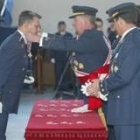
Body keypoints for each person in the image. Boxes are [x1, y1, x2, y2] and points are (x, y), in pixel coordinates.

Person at [27, 5, 110, 113]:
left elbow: (68, 43)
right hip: (89, 90)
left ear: (83, 22)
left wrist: (40, 39)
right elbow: (66, 40)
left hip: (97, 94)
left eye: (75, 20)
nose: (73, 23)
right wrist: (43, 36)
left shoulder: (92, 37)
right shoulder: (91, 35)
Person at [86, 2, 140, 140]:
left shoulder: (133, 41)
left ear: (121, 21)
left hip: (128, 111)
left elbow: (124, 76)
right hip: (122, 109)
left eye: (113, 22)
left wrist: (101, 85)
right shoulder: (126, 40)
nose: (113, 27)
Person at [0, 10, 41, 140]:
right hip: (3, 94)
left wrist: (24, 75)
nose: (38, 28)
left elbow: (14, 65)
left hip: (8, 92)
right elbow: (2, 71)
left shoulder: (21, 41)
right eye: (36, 25)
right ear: (26, 25)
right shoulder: (14, 43)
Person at [51, 21, 73, 91]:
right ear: (58, 27)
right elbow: (52, 47)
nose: (62, 28)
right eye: (60, 26)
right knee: (58, 73)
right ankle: (58, 88)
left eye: (63, 26)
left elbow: (72, 47)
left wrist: (71, 57)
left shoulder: (69, 35)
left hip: (67, 58)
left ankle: (66, 88)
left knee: (67, 74)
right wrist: (52, 57)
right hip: (58, 58)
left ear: (65, 27)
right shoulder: (55, 35)